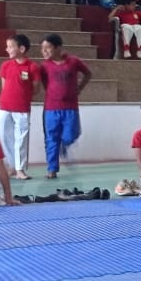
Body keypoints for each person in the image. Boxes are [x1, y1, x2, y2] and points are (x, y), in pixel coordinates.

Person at [39, 34, 91, 179]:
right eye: (42, 49)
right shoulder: (44, 66)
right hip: (51, 108)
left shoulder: (73, 62)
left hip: (70, 107)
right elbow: (43, 83)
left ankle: (64, 146)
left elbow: (87, 74)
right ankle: (52, 169)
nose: (44, 51)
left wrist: (79, 88)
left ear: (58, 48)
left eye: (47, 48)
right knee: (51, 138)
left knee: (72, 134)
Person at [0, 34, 42, 180]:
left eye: (11, 46)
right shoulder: (6, 65)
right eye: (7, 46)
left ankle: (20, 169)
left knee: (21, 139)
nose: (7, 49)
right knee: (5, 137)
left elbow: (36, 89)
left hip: (22, 109)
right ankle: (11, 166)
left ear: (22, 49)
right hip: (4, 107)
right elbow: (4, 86)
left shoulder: (32, 67)